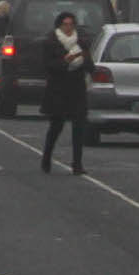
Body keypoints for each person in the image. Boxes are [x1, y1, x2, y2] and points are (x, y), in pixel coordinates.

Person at [40, 11, 91, 175]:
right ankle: (46, 158)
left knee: (79, 127)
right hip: (58, 89)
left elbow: (90, 66)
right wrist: (65, 61)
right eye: (65, 24)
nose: (69, 27)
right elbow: (48, 66)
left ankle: (77, 164)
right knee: (56, 126)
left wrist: (85, 58)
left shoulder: (81, 42)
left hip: (77, 88)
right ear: (59, 26)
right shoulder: (51, 42)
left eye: (71, 24)